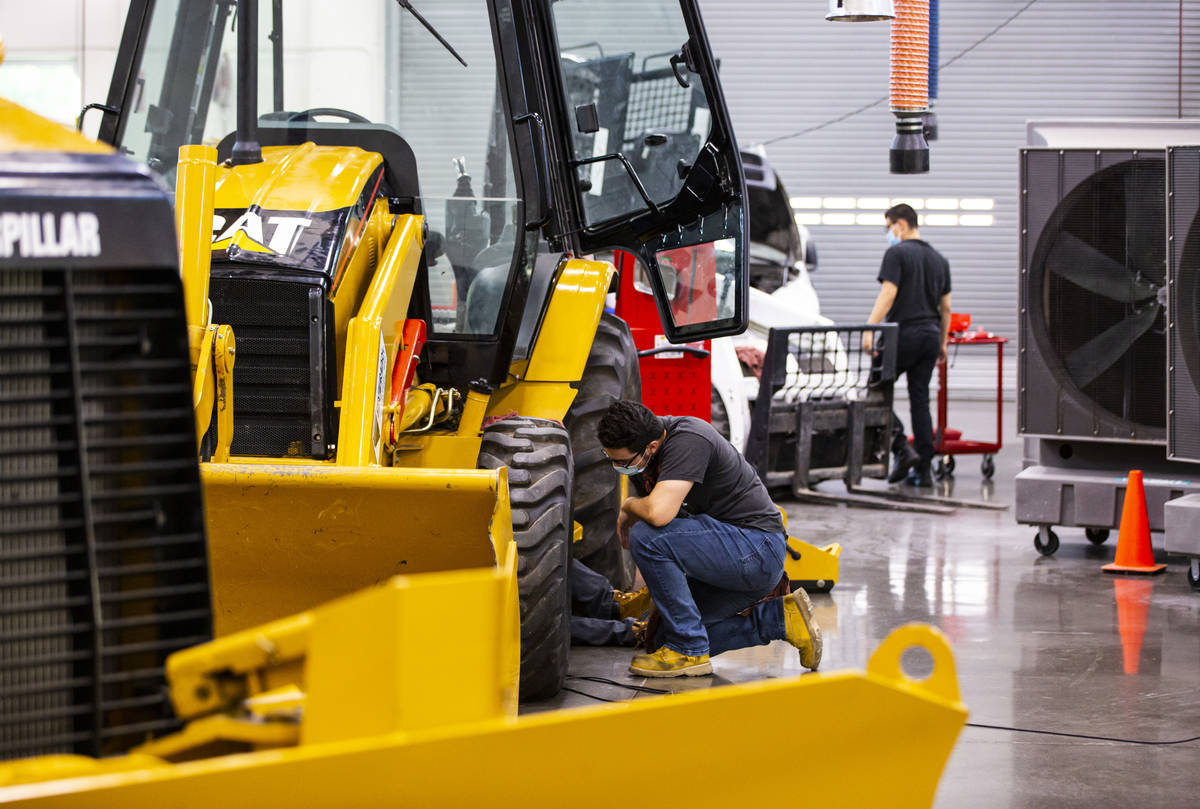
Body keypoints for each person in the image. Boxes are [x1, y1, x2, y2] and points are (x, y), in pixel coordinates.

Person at [596, 400, 821, 678]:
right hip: (732, 555)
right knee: (661, 640)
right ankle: (779, 621)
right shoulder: (650, 457)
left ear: (651, 447)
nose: (617, 467)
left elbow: (658, 514)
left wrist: (629, 505)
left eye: (621, 462)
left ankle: (689, 649)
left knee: (647, 535)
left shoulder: (689, 439)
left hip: (756, 549)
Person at [863, 203, 952, 487]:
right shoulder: (940, 259)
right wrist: (942, 343)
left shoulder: (897, 253)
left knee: (875, 394)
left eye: (888, 227)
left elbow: (889, 292)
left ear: (900, 224)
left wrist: (870, 327)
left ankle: (902, 448)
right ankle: (923, 470)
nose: (888, 233)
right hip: (929, 336)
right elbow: (946, 307)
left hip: (901, 335)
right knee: (920, 401)